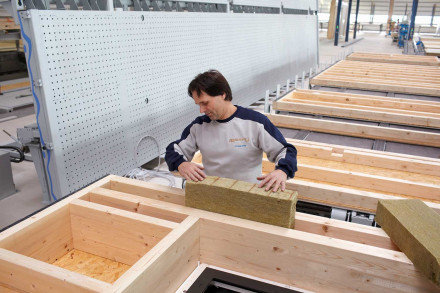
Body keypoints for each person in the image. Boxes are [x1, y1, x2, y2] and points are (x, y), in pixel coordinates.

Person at [165, 70, 297, 192]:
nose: (202, 110)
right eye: (199, 104)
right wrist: (181, 164)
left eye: (205, 103)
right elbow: (173, 149)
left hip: (249, 196)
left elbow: (285, 150)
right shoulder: (199, 126)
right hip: (211, 194)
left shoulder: (255, 123)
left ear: (223, 94)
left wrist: (282, 171)